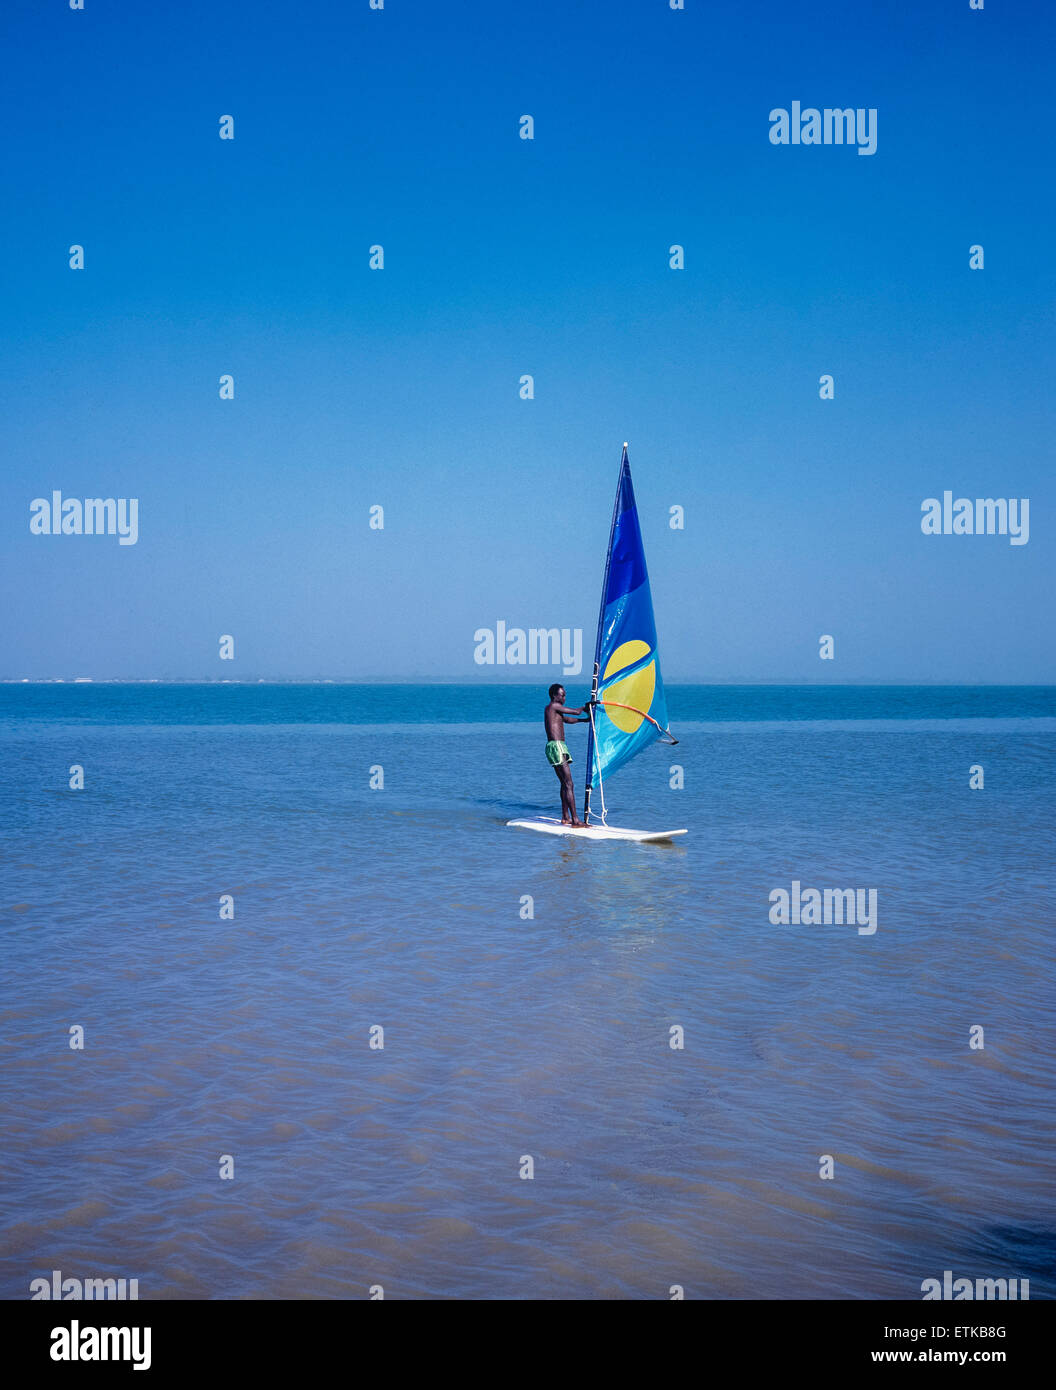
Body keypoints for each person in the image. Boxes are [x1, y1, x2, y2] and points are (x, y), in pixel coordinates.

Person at [544, 684, 590, 825]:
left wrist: (585, 720)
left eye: (564, 695)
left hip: (558, 746)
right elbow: (575, 712)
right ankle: (575, 820)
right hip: (557, 746)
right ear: (554, 696)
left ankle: (565, 817)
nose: (564, 697)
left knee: (564, 783)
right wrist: (586, 707)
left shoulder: (555, 711)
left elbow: (569, 720)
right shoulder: (553, 706)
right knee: (569, 783)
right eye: (562, 695)